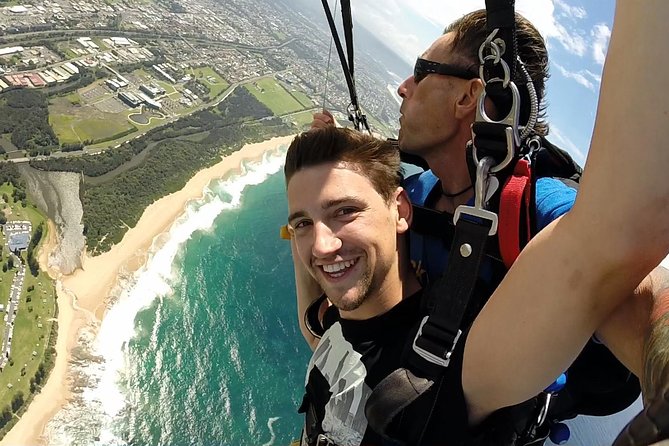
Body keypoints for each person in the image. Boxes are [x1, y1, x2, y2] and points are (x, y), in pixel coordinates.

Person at [284, 3, 669, 445]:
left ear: (468, 97)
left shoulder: (534, 206)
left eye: (420, 73)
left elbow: (630, 281)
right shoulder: (424, 193)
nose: (402, 89)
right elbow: (346, 307)